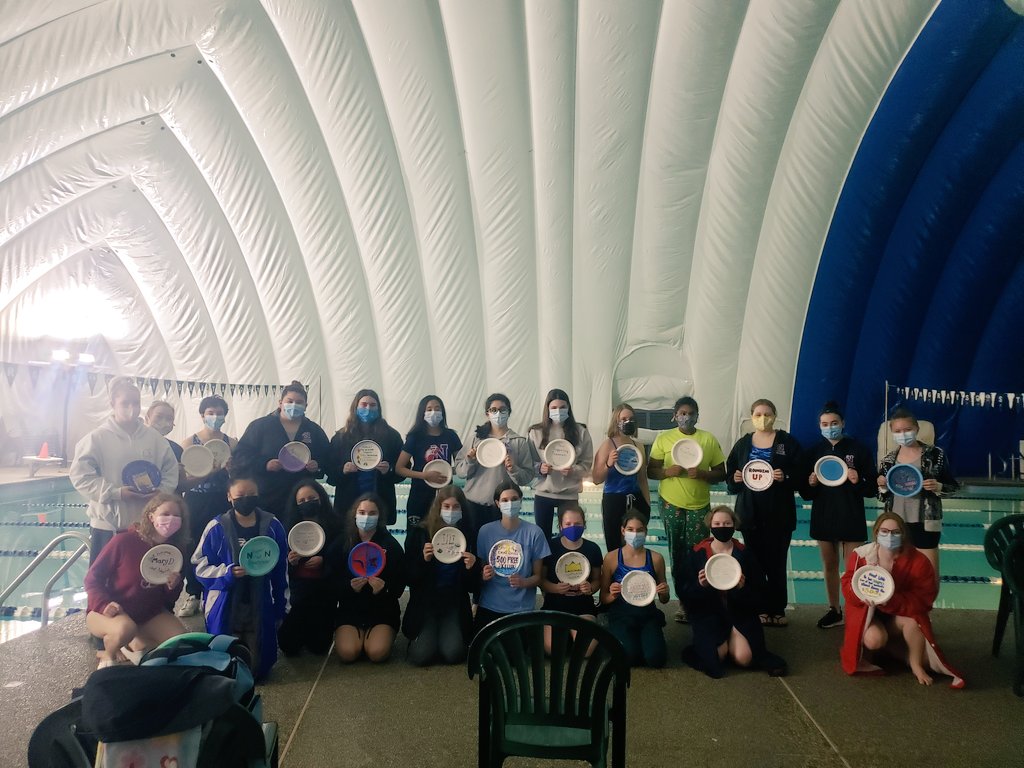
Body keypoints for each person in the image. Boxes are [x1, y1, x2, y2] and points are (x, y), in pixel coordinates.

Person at [840, 512, 965, 688]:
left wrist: (892, 600)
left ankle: (915, 665)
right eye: (884, 531)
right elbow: (847, 584)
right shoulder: (862, 556)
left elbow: (924, 599)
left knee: (915, 625)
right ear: (876, 533)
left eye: (895, 532)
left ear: (903, 534)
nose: (889, 536)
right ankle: (881, 649)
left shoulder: (918, 561)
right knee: (875, 639)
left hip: (898, 614)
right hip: (870, 614)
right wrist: (860, 596)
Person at [192, 474, 288, 681]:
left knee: (259, 659)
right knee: (226, 649)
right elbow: (199, 565)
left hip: (261, 597)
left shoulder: (273, 526)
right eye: (240, 495)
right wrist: (226, 573)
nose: (246, 499)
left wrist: (281, 603)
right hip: (225, 599)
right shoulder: (216, 527)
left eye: (251, 494)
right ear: (229, 496)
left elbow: (281, 568)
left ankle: (256, 670)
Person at [70, 376, 180, 558]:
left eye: (136, 403)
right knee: (106, 581)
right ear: (113, 403)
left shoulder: (155, 439)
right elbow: (80, 476)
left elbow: (171, 471)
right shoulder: (96, 438)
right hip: (109, 525)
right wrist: (116, 493)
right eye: (125, 403)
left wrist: (160, 492)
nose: (132, 408)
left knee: (143, 580)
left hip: (146, 525)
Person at [678, 506, 787, 678]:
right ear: (710, 526)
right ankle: (713, 644)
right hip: (709, 614)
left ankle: (732, 638)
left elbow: (761, 593)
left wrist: (743, 588)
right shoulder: (697, 554)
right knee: (715, 658)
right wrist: (700, 586)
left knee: (744, 659)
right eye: (718, 523)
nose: (722, 527)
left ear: (734, 525)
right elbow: (684, 593)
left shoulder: (745, 554)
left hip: (740, 613)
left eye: (727, 523)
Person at [84, 492, 190, 669]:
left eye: (176, 516)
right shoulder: (123, 541)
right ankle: (108, 653)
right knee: (124, 629)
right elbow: (91, 579)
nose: (170, 519)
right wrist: (104, 605)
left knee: (179, 643)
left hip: (148, 614)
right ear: (151, 516)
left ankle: (132, 644)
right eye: (165, 514)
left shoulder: (175, 550)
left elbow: (170, 600)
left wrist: (173, 586)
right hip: (110, 611)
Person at [647, 396, 726, 622]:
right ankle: (683, 602)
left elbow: (722, 472)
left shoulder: (708, 439)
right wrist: (666, 472)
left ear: (698, 415)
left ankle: (698, 600)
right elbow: (651, 470)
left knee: (699, 553)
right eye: (682, 413)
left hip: (699, 506)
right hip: (671, 503)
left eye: (691, 413)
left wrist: (703, 474)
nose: (687, 417)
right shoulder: (664, 438)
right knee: (677, 553)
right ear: (674, 415)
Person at [725, 398, 801, 627]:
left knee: (777, 564)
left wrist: (785, 476)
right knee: (754, 564)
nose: (763, 418)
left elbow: (801, 471)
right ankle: (758, 608)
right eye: (758, 414)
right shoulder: (743, 444)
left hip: (779, 513)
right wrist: (735, 478)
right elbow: (731, 477)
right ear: (752, 416)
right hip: (750, 513)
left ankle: (776, 608)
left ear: (775, 415)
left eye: (767, 414)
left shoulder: (787, 442)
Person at [800, 401, 876, 629]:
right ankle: (834, 610)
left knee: (854, 567)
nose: (830, 427)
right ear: (819, 426)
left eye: (834, 423)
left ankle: (857, 609)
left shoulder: (859, 449)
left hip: (851, 513)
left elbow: (871, 488)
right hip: (824, 514)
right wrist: (810, 482)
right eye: (825, 424)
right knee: (829, 564)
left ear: (842, 423)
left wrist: (857, 480)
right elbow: (805, 494)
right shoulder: (813, 452)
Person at [877, 408, 959, 581]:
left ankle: (925, 608)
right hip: (896, 523)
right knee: (897, 572)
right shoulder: (888, 461)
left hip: (926, 521)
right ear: (892, 433)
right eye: (898, 431)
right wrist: (883, 487)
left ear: (916, 429)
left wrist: (938, 486)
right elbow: (882, 497)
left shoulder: (935, 455)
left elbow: (953, 487)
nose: (903, 434)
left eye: (907, 430)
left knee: (928, 573)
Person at [403, 486, 479, 666]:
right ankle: (427, 633)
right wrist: (423, 560)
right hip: (426, 603)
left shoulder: (468, 536)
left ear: (462, 510)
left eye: (455, 507)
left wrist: (472, 568)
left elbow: (474, 587)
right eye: (446, 506)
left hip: (453, 603)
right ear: (438, 508)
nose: (451, 511)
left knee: (453, 654)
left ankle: (444, 632)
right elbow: (409, 578)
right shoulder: (421, 533)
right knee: (420, 657)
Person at [233, 381, 331, 518]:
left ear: (306, 406)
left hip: (302, 499)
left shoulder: (314, 430)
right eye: (289, 401)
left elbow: (328, 458)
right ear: (280, 402)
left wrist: (317, 465)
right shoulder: (260, 427)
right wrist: (265, 464)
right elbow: (240, 455)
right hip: (268, 497)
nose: (294, 405)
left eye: (299, 402)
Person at [178, 395, 238, 617]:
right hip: (196, 500)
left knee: (220, 544)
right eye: (210, 413)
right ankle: (193, 592)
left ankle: (214, 588)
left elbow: (236, 477)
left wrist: (231, 469)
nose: (215, 417)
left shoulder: (232, 443)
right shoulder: (189, 443)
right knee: (193, 544)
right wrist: (207, 472)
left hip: (221, 500)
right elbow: (183, 480)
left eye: (219, 413)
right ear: (202, 415)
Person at [333, 493, 406, 663]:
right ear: (355, 514)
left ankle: (378, 637)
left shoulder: (391, 546)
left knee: (376, 653)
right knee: (348, 653)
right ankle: (358, 637)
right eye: (362, 512)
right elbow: (331, 580)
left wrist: (384, 588)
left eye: (372, 513)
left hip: (382, 611)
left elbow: (399, 586)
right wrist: (348, 587)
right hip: (350, 610)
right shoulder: (343, 543)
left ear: (379, 516)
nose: (366, 517)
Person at [455, 394, 538, 537]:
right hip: (473, 505)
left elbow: (528, 477)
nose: (498, 413)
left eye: (502, 409)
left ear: (509, 412)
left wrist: (514, 469)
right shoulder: (476, 439)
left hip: (503, 507)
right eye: (493, 410)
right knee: (474, 551)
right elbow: (460, 471)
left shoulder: (518, 442)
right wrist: (470, 460)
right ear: (487, 413)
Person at [277, 480, 344, 657]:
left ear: (320, 498)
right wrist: (290, 562)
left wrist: (325, 560)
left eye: (311, 498)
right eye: (302, 500)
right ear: (296, 504)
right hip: (299, 592)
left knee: (319, 647)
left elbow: (341, 559)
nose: (307, 502)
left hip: (324, 591)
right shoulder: (288, 529)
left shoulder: (336, 525)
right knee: (288, 645)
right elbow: (279, 569)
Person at [474, 481, 550, 633]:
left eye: (514, 499)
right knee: (486, 651)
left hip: (522, 608)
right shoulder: (485, 531)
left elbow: (538, 577)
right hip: (490, 605)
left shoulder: (534, 533)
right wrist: (484, 574)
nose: (510, 503)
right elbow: (481, 570)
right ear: (497, 503)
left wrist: (524, 581)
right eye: (505, 500)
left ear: (521, 501)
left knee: (516, 654)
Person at [600, 511, 669, 668]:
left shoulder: (656, 559)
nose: (635, 533)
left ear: (646, 531)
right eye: (630, 529)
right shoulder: (611, 558)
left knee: (655, 659)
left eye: (639, 530)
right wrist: (612, 594)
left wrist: (664, 592)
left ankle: (649, 636)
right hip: (621, 614)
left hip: (647, 614)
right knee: (629, 657)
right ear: (623, 531)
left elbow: (664, 600)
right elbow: (603, 598)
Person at [327, 389, 404, 525]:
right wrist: (343, 470)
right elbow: (330, 475)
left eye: (372, 405)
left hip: (380, 501)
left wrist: (389, 470)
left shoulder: (391, 436)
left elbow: (402, 471)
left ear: (379, 408)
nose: (368, 408)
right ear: (355, 407)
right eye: (363, 404)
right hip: (348, 502)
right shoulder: (341, 437)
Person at [527, 389, 595, 538]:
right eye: (554, 407)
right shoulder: (535, 432)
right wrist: (540, 468)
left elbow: (587, 463)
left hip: (569, 495)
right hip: (544, 493)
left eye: (562, 407)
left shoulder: (580, 431)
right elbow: (528, 463)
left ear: (569, 408)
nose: (558, 411)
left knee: (570, 537)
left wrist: (574, 470)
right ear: (547, 409)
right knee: (542, 537)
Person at [540, 503, 603, 653]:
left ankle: (573, 634)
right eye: (568, 524)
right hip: (555, 605)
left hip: (583, 606)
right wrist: (554, 588)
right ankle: (565, 634)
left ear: (584, 525)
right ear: (560, 526)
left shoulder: (592, 549)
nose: (572, 527)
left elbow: (597, 580)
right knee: (552, 650)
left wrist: (591, 588)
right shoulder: (550, 546)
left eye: (577, 524)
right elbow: (541, 581)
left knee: (586, 651)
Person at [395, 395, 463, 529]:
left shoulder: (451, 436)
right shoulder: (415, 437)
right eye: (429, 409)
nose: (434, 412)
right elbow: (399, 468)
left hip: (445, 494)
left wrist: (448, 471)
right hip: (419, 494)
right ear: (422, 413)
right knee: (416, 535)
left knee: (443, 531)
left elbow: (461, 465)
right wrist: (425, 475)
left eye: (437, 408)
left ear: (442, 412)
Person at [591, 403, 651, 552]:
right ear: (616, 421)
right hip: (613, 500)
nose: (627, 422)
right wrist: (609, 464)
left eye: (631, 418)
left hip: (636, 499)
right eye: (623, 418)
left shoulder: (639, 446)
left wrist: (648, 505)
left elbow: (642, 479)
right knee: (614, 545)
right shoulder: (607, 445)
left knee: (635, 545)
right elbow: (596, 479)